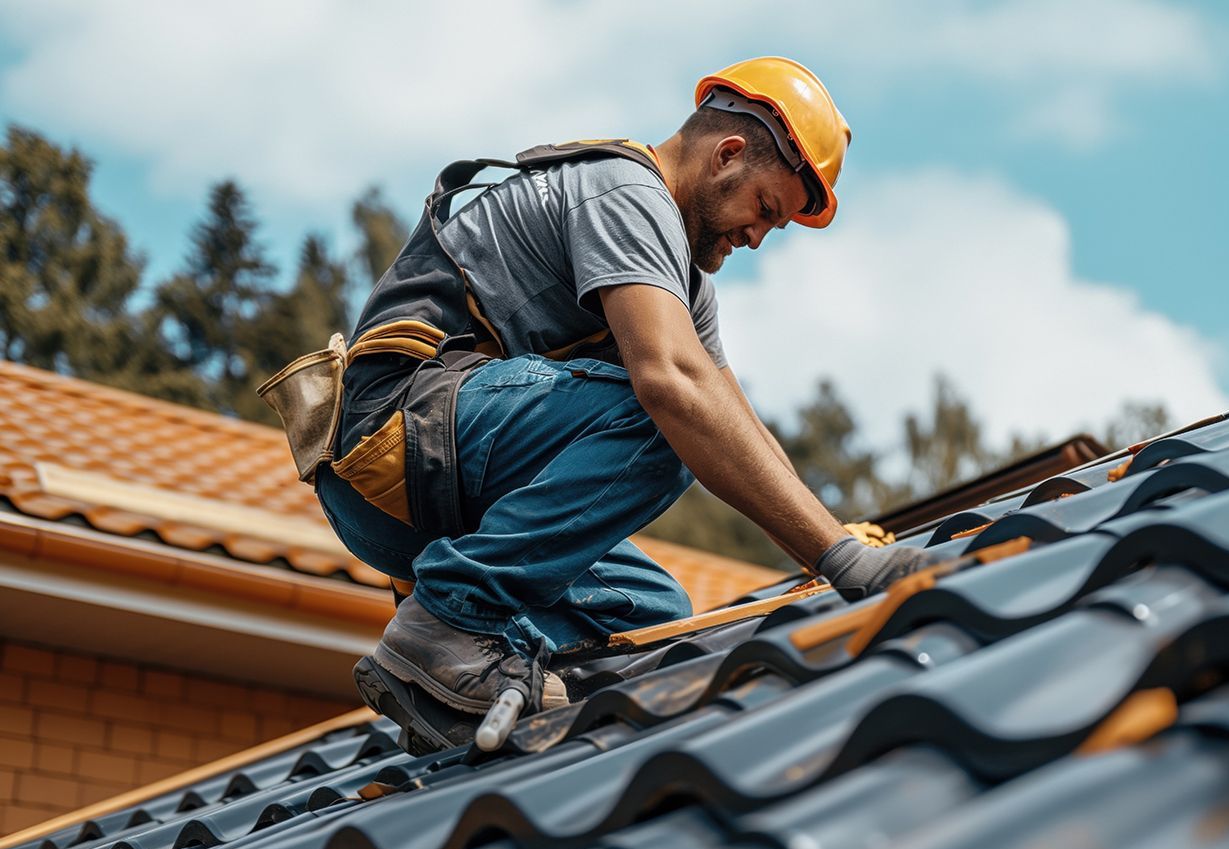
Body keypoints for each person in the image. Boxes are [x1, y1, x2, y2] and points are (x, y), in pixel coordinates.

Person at [315, 57, 939, 754]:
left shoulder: (684, 282)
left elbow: (736, 421)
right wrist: (840, 561)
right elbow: (676, 390)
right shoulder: (623, 193)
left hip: (441, 488)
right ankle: (448, 623)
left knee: (648, 614)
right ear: (727, 154)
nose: (759, 237)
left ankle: (480, 678)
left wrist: (835, 543)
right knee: (665, 411)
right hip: (397, 437)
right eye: (765, 208)